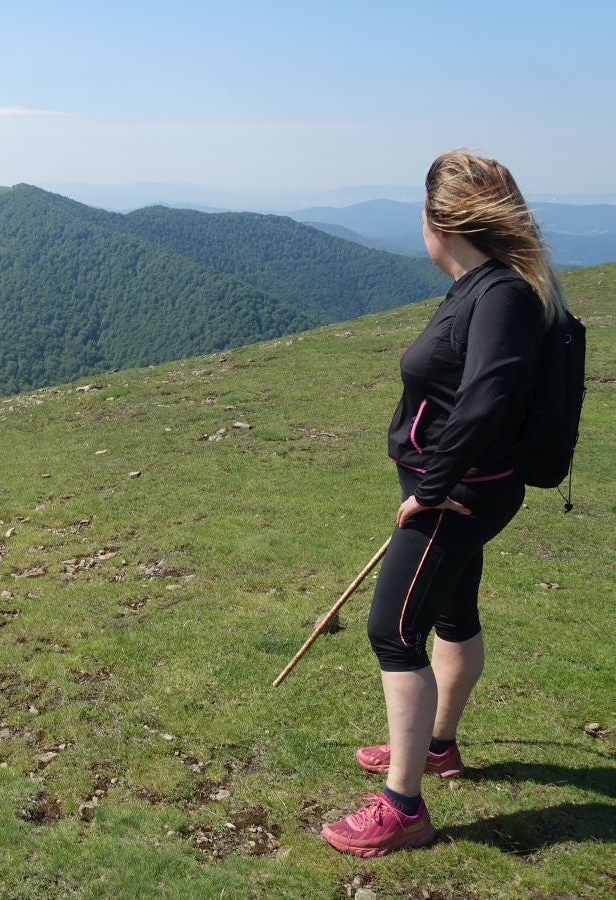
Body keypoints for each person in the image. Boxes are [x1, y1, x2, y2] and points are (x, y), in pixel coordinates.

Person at [320, 149, 571, 857]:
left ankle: (403, 809)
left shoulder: (501, 296)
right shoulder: (488, 285)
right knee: (453, 614)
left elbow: (487, 397)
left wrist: (429, 493)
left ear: (441, 222)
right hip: (464, 487)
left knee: (393, 631)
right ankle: (437, 748)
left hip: (458, 494)